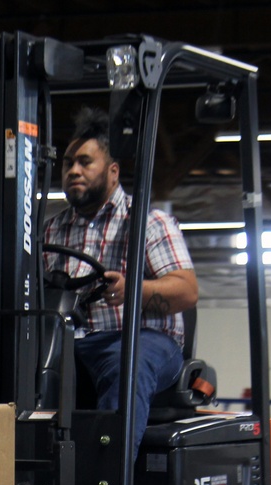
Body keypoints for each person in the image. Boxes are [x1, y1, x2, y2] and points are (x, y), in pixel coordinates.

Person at [43, 106, 198, 455]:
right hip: (73, 340)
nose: (73, 171)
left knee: (127, 362)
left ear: (113, 172)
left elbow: (187, 291)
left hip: (142, 340)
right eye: (68, 164)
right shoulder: (51, 229)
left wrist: (134, 290)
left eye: (85, 162)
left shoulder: (148, 222)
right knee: (16, 363)